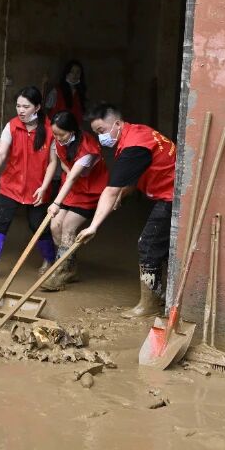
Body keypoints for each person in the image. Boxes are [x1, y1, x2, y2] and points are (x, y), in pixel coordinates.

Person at [78, 103, 177, 317]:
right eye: (96, 133)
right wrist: (123, 194)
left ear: (117, 123)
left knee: (148, 244)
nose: (100, 138)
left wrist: (93, 226)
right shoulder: (137, 132)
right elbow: (135, 176)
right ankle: (162, 296)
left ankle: (149, 304)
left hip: (173, 196)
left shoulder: (134, 146)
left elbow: (111, 190)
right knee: (161, 246)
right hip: (170, 190)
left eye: (101, 131)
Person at [0, 86, 58, 279]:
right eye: (18, 106)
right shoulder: (12, 126)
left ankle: (50, 260)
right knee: (0, 221)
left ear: (37, 107)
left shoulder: (50, 130)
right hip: (11, 185)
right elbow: (1, 153)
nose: (21, 110)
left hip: (38, 189)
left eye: (26, 106)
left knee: (37, 225)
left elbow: (53, 162)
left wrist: (44, 187)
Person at [39, 110, 109, 291]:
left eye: (61, 134)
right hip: (71, 188)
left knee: (68, 227)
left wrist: (55, 203)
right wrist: (68, 171)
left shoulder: (87, 148)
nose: (57, 138)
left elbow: (72, 178)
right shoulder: (59, 139)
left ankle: (60, 273)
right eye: (54, 134)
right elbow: (63, 161)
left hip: (89, 191)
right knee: (55, 226)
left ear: (72, 131)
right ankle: (71, 267)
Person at [45, 59, 87, 128]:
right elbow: (47, 110)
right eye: (72, 72)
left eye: (78, 72)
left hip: (74, 131)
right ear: (66, 73)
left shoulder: (80, 92)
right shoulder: (56, 91)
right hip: (57, 130)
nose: (75, 75)